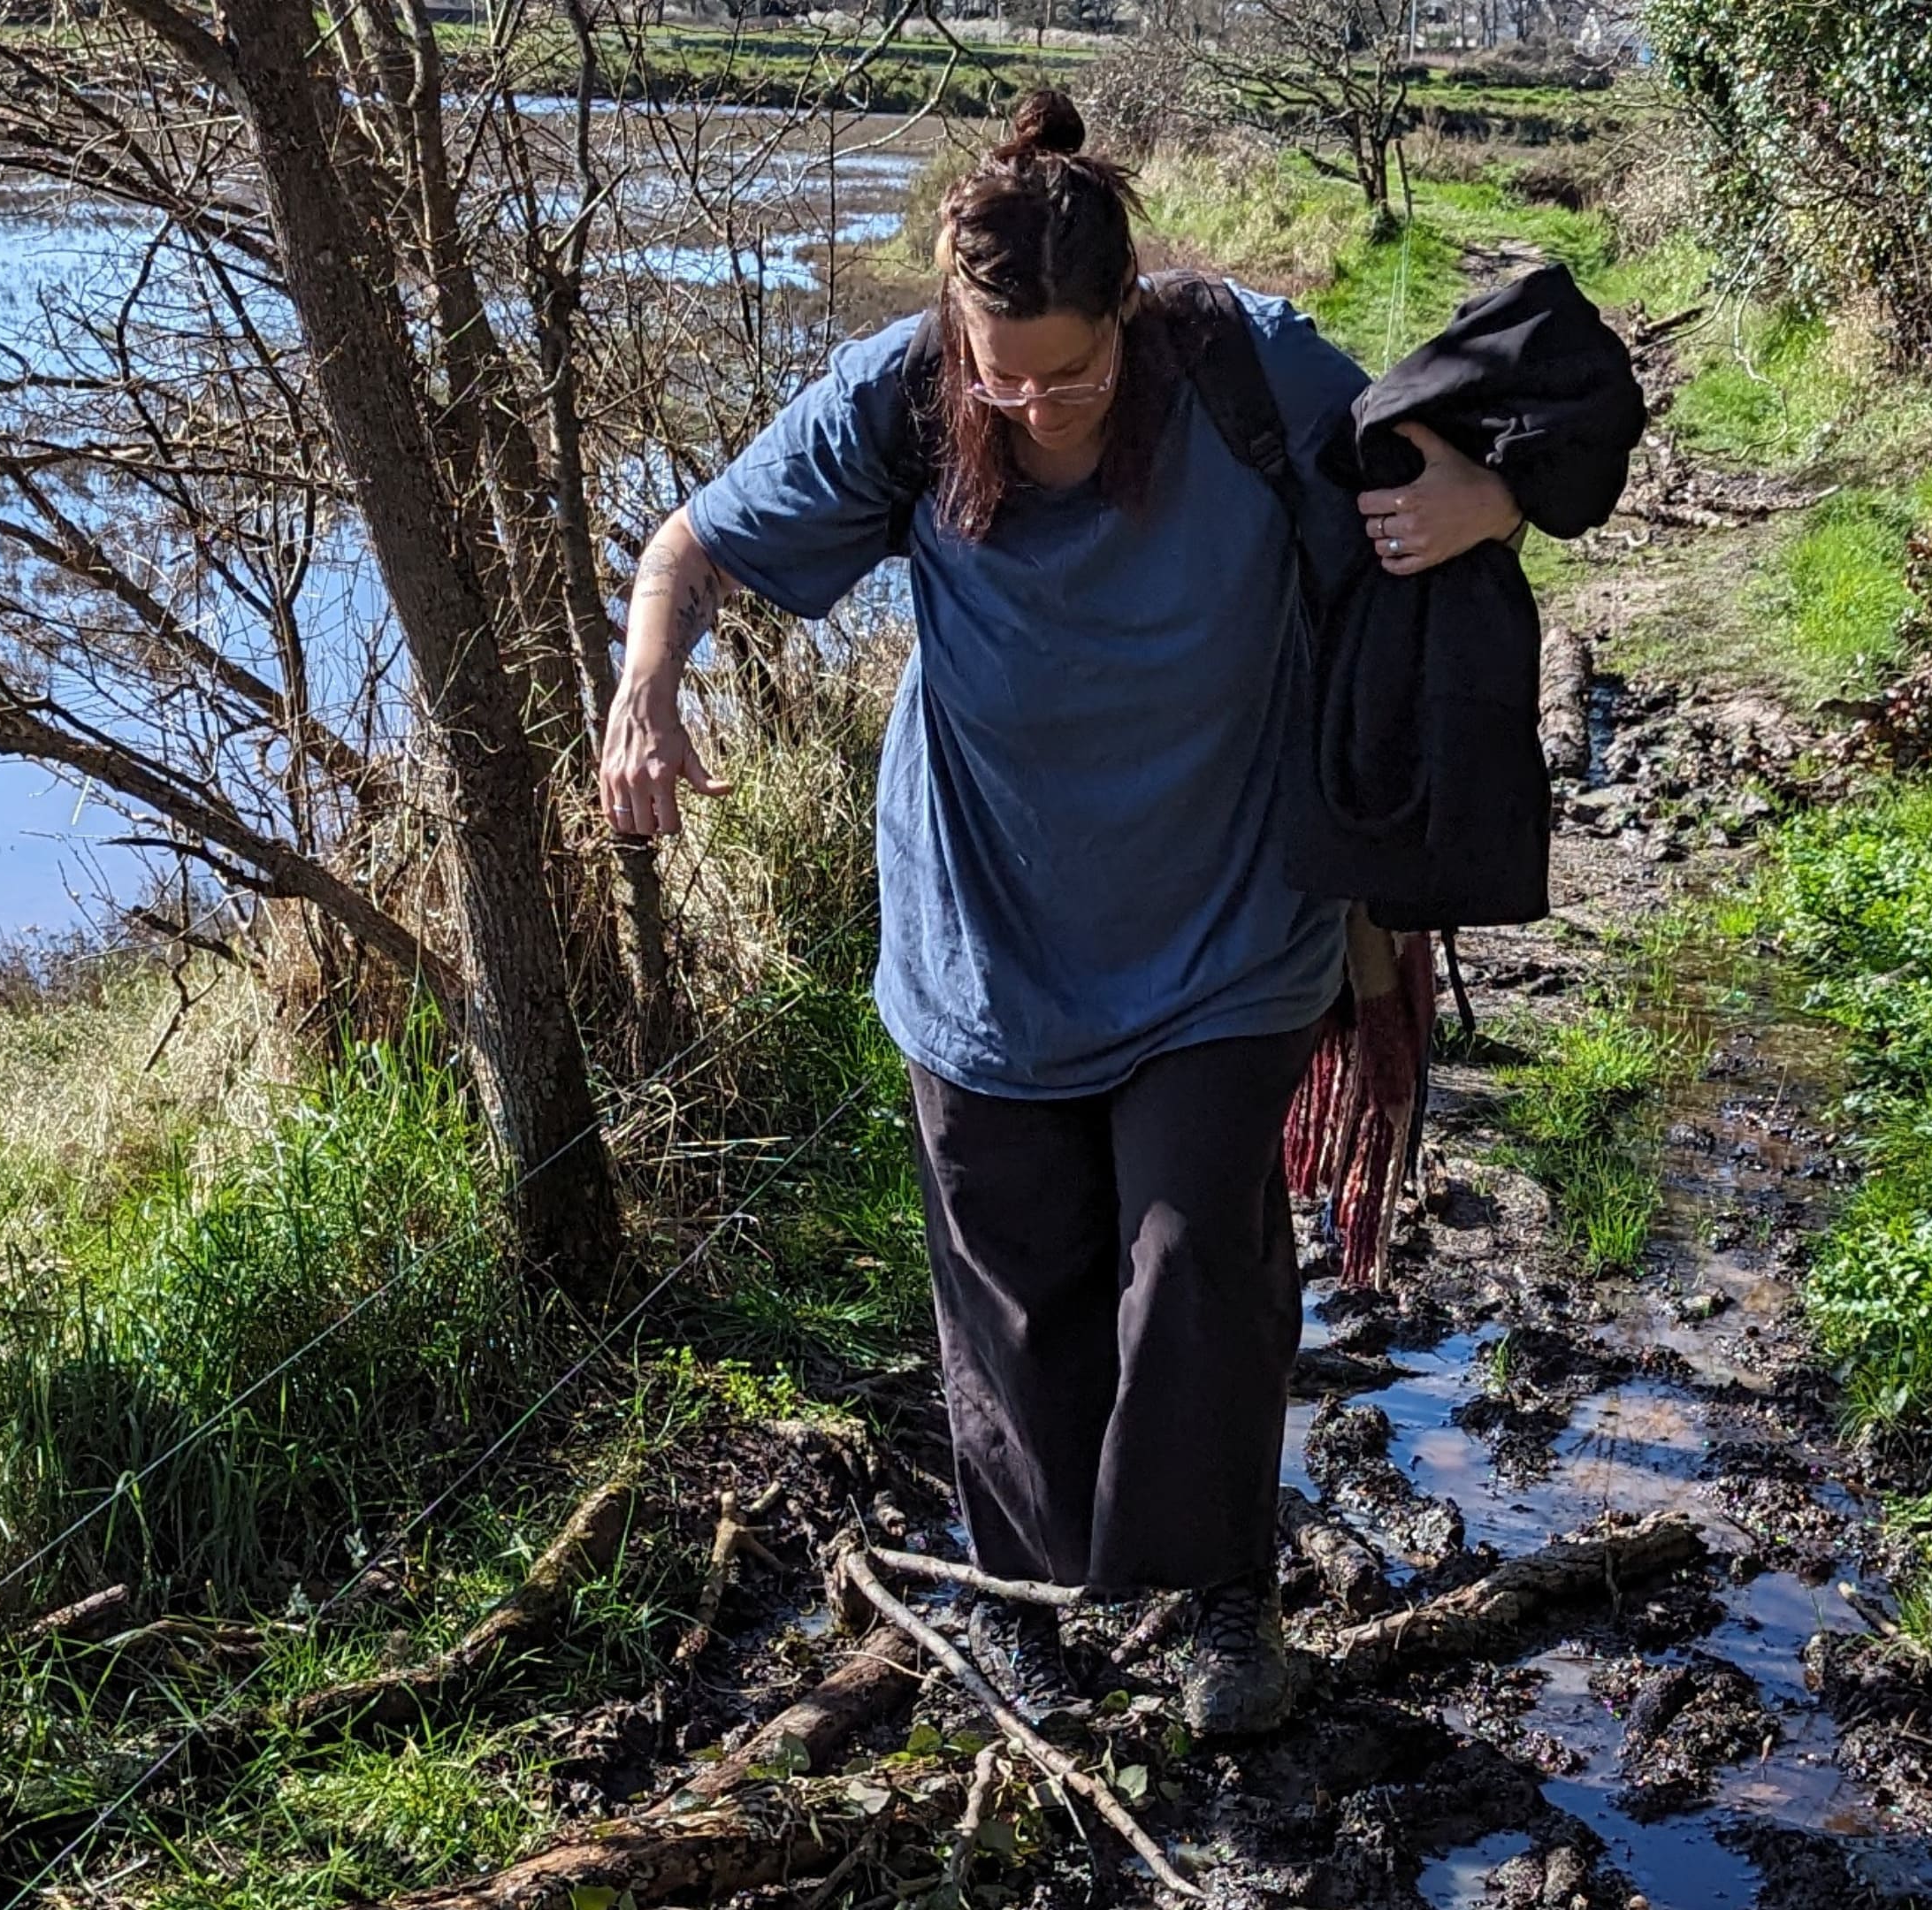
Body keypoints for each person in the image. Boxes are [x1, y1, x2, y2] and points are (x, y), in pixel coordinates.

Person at [595, 88, 1524, 1735]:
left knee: (1193, 1262)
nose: (1026, 407)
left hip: (1226, 931)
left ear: (1131, 316)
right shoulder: (899, 398)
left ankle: (1216, 1607)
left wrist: (1495, 505)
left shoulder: (1246, 368)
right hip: (982, 941)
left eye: (1068, 372)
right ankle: (1033, 1605)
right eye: (996, 371)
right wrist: (648, 680)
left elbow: (1483, 447)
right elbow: (690, 542)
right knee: (1012, 1296)